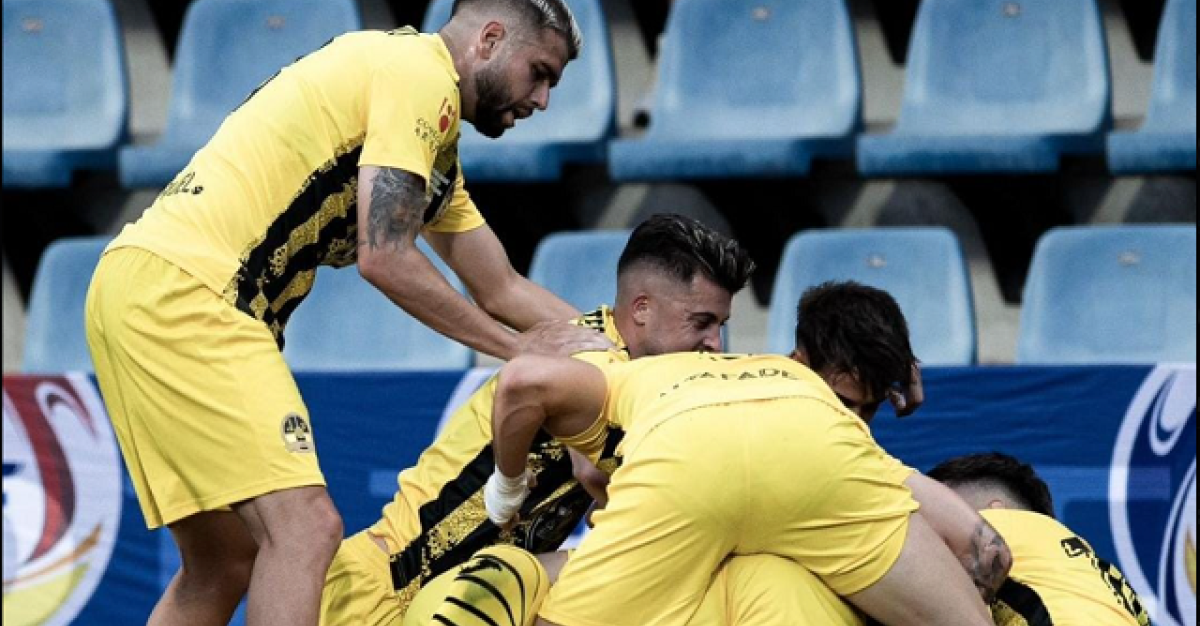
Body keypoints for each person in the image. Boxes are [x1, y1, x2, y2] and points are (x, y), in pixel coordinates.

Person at [84, 0, 609, 625]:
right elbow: (385, 257)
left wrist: (618, 357)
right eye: (540, 73)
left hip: (135, 286)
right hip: (192, 294)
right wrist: (520, 350)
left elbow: (501, 287)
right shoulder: (419, 77)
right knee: (305, 528)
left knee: (221, 563)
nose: (542, 100)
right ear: (490, 39)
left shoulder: (424, 134)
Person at [410, 281, 938, 626]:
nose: (855, 423)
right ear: (796, 362)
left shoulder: (841, 452)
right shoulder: (718, 400)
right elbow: (589, 467)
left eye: (868, 411)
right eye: (844, 403)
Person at [318, 214, 757, 625]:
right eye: (701, 322)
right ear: (642, 309)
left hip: (460, 600)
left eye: (720, 324)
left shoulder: (609, 352)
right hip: (382, 594)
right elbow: (594, 474)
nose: (715, 343)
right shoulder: (594, 364)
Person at [480, 346, 1007, 625]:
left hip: (684, 463)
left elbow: (522, 381)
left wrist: (506, 488)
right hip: (817, 457)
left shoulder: (622, 373)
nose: (713, 337)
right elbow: (988, 552)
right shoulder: (799, 384)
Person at [930, 453, 1152, 626]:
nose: (929, 529)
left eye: (940, 507)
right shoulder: (1100, 581)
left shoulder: (996, 526)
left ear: (997, 509)